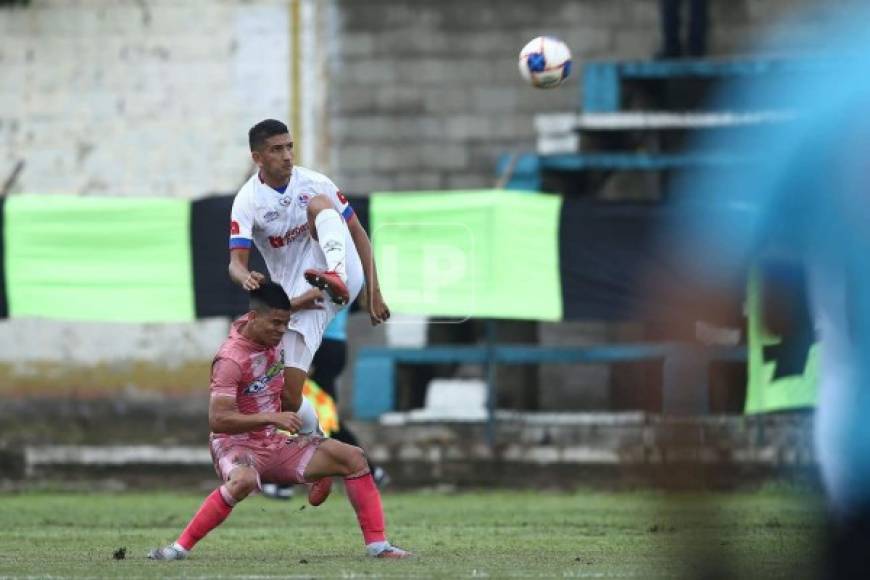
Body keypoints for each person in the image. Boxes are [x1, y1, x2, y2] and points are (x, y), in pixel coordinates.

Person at [147, 282, 411, 560]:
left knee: (353, 457)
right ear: (254, 318)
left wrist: (304, 300)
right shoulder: (230, 360)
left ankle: (378, 546)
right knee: (244, 480)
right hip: (236, 446)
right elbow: (218, 420)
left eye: (285, 324)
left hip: (273, 443)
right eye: (275, 324)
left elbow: (274, 311)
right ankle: (178, 549)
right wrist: (272, 416)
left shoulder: (262, 323)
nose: (281, 330)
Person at [226, 118, 391, 485]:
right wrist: (246, 276)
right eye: (277, 149)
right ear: (258, 157)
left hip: (341, 271)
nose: (287, 156)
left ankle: (333, 273)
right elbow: (235, 264)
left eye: (290, 147)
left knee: (321, 206)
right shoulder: (248, 201)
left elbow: (358, 232)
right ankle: (319, 453)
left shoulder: (314, 182)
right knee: (288, 397)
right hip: (303, 297)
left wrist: (374, 290)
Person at [262, 307, 390, 500]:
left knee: (305, 414)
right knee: (325, 418)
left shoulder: (314, 279)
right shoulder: (348, 278)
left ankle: (284, 483)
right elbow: (356, 304)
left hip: (318, 343)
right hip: (335, 344)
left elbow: (306, 306)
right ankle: (371, 471)